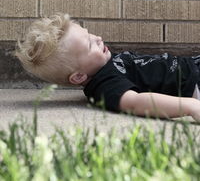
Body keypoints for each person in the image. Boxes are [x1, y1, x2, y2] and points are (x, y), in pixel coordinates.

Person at [15, 13, 200, 122]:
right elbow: (135, 103)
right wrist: (190, 106)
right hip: (193, 84)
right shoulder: (105, 86)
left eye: (90, 34)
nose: (97, 38)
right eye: (90, 45)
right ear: (79, 76)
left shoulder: (103, 65)